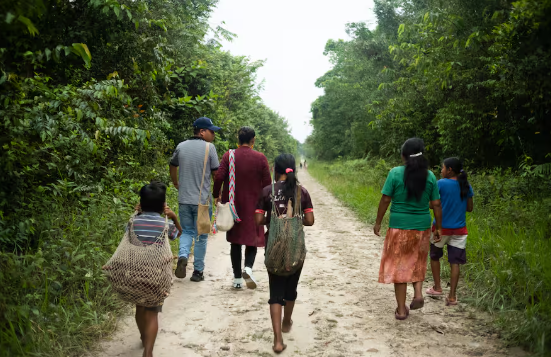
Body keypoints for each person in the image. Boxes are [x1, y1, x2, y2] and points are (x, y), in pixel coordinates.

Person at [373, 138, 442, 320]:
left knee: (400, 268)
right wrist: (439, 228)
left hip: (399, 227)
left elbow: (386, 199)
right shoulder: (430, 176)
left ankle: (401, 310)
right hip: (422, 227)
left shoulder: (395, 173)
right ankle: (418, 293)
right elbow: (436, 204)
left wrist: (378, 221)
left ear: (403, 156)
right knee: (418, 261)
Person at [255, 153, 315, 353]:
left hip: (274, 248)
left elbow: (257, 220)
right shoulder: (301, 192)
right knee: (291, 289)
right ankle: (287, 320)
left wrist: (272, 221)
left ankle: (277, 340)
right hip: (296, 249)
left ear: (276, 170)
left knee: (275, 293)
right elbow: (310, 220)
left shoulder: (266, 191)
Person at [213, 126, 271, 289]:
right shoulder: (260, 158)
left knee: (236, 242)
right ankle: (248, 268)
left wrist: (216, 194)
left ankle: (237, 279)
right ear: (253, 140)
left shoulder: (229, 156)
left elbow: (219, 177)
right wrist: (267, 204)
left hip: (234, 206)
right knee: (252, 239)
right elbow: (267, 184)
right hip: (255, 206)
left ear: (238, 140)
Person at [133, 182, 182, 357]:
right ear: (163, 206)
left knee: (139, 307)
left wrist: (136, 213)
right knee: (153, 312)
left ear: (141, 203)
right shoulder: (165, 224)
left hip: (136, 270)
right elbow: (178, 234)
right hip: (157, 272)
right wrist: (174, 217)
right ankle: (148, 351)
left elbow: (129, 239)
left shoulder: (133, 222)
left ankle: (143, 336)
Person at [170, 117, 220, 282]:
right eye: (211, 131)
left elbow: (172, 165)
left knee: (187, 231)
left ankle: (183, 255)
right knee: (201, 236)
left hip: (184, 199)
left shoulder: (181, 146)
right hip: (202, 201)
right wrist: (217, 193)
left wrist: (176, 182)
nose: (213, 135)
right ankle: (197, 272)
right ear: (201, 132)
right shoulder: (209, 148)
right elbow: (215, 174)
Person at [426, 158, 474, 306]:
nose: (441, 171)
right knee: (455, 262)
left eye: (443, 168)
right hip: (460, 230)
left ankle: (437, 287)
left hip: (441, 229)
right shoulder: (465, 185)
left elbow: (431, 205)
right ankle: (452, 296)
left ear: (450, 169)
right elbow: (470, 208)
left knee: (435, 256)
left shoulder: (440, 184)